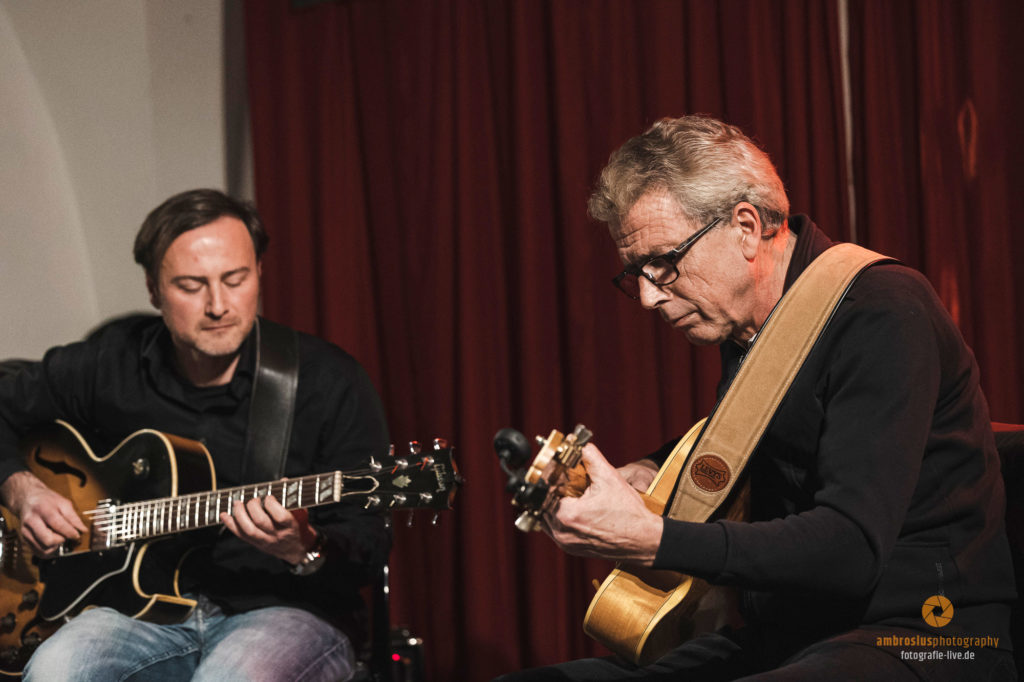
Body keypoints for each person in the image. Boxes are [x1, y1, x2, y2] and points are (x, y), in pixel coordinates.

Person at [498, 116, 1016, 680]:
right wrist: (652, 471)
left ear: (745, 227)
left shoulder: (883, 311)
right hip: (792, 635)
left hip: (922, 635)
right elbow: (782, 434)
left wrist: (654, 540)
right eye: (635, 273)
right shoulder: (749, 323)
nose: (648, 297)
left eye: (663, 264)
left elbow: (851, 548)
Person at [0, 189, 391, 681]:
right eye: (191, 285)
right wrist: (22, 488)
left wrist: (303, 548)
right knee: (55, 670)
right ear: (153, 290)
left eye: (236, 279)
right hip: (136, 612)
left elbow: (369, 542)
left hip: (285, 610)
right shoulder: (111, 363)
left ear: (259, 272)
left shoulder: (328, 381)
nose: (218, 305)